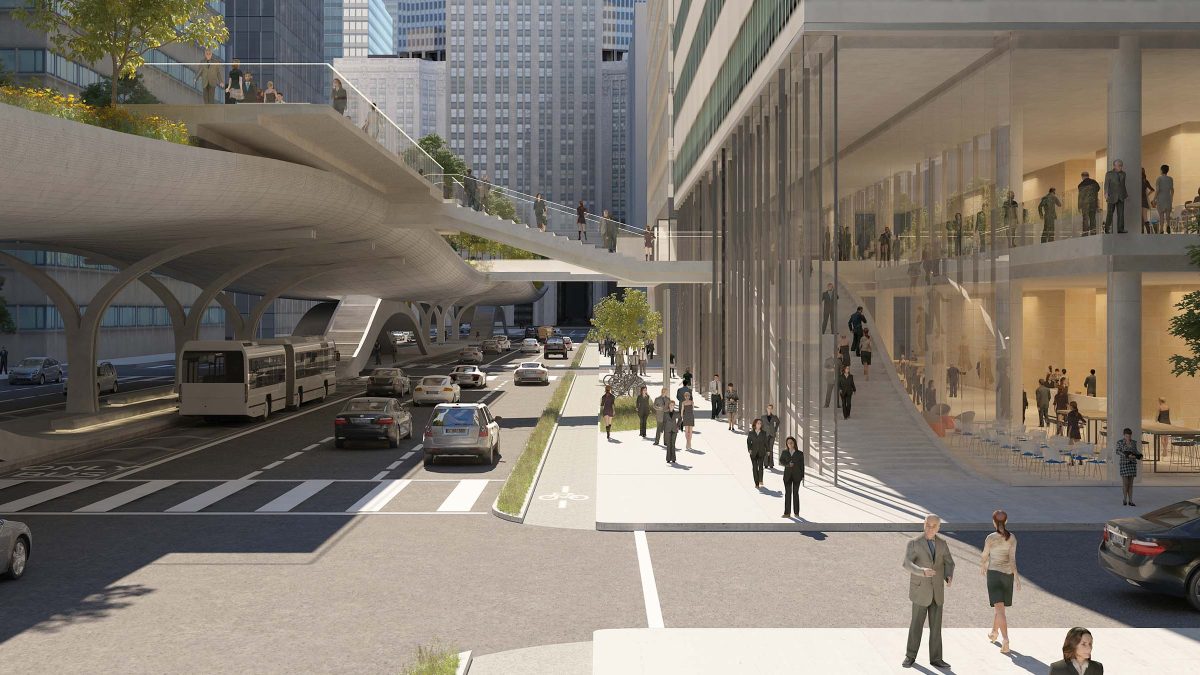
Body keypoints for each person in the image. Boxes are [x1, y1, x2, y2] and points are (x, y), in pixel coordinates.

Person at [901, 514, 955, 670]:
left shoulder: (943, 544)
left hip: (937, 591)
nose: (930, 528)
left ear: (939, 527)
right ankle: (910, 656)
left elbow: (949, 562)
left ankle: (936, 658)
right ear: (923, 524)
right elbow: (907, 563)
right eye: (927, 525)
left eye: (934, 526)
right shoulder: (914, 543)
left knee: (936, 627)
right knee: (916, 625)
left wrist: (948, 576)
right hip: (920, 590)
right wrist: (921, 571)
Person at [981, 509, 1020, 655]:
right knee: (1000, 607)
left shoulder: (990, 538)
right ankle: (994, 633)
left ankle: (1006, 640)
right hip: (1008, 575)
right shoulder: (1012, 538)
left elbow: (985, 554)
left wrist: (983, 565)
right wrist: (1016, 576)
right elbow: (1012, 558)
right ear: (1006, 521)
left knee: (999, 609)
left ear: (993, 522)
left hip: (994, 575)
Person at [1116, 427, 1142, 506]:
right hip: (1124, 464)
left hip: (1132, 464)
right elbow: (1117, 451)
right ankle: (1124, 499)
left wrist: (1139, 455)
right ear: (1124, 435)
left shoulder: (1134, 442)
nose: (1128, 437)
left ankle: (1130, 500)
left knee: (1131, 484)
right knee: (1125, 483)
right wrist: (1126, 455)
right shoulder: (1120, 442)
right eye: (1127, 436)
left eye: (1129, 436)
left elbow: (1135, 451)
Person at [779, 436, 804, 518]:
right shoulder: (784, 452)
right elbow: (781, 461)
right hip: (787, 476)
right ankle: (787, 513)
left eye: (791, 443)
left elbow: (802, 466)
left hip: (797, 476)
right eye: (788, 443)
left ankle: (796, 512)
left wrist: (802, 476)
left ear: (794, 443)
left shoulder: (800, 453)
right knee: (787, 494)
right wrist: (788, 464)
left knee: (796, 493)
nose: (790, 444)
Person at [1104, 159, 1128, 234]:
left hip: (1121, 196)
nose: (1121, 167)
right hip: (1111, 196)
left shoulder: (1123, 174)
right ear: (1114, 166)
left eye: (1121, 165)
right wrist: (1106, 193)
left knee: (1121, 213)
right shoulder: (1109, 174)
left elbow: (1123, 185)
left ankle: (1120, 229)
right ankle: (1107, 229)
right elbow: (1106, 184)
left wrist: (1125, 194)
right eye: (1119, 165)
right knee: (1110, 213)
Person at [747, 418, 770, 488]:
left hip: (761, 452)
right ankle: (756, 483)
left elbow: (766, 442)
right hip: (753, 453)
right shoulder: (751, 433)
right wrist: (749, 449)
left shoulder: (763, 433)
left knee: (760, 467)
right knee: (754, 467)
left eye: (760, 423)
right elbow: (748, 442)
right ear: (755, 424)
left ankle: (760, 480)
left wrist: (768, 450)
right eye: (758, 423)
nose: (759, 425)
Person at [1078, 171, 1101, 236]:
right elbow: (1098, 189)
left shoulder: (1080, 185)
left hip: (1085, 204)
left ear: (1082, 177)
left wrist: (1079, 206)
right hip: (1093, 202)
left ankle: (1085, 233)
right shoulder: (1094, 182)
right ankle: (1093, 232)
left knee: (1085, 218)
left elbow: (1080, 197)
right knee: (1092, 217)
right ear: (1088, 175)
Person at [1155, 164, 1174, 234]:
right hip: (1168, 198)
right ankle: (1168, 226)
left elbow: (1157, 190)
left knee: (1161, 215)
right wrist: (1172, 197)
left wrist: (1154, 199)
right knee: (1168, 214)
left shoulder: (1159, 179)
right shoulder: (1170, 179)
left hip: (1161, 198)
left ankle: (1161, 229)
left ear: (1161, 170)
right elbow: (1172, 189)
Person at [762, 404, 780, 469]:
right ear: (767, 409)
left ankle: (771, 463)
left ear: (772, 409)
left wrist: (775, 429)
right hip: (765, 435)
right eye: (768, 408)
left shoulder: (774, 417)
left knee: (771, 448)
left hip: (772, 434)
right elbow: (761, 425)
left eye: (771, 408)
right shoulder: (763, 417)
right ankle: (766, 463)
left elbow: (778, 422)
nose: (769, 409)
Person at [662, 400, 680, 464]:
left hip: (674, 430)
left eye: (673, 405)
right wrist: (663, 430)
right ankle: (668, 459)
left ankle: (673, 459)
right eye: (671, 405)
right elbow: (663, 422)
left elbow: (680, 418)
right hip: (667, 430)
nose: (672, 406)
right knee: (669, 444)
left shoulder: (676, 413)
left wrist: (678, 426)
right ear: (669, 405)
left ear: (674, 406)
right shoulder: (665, 413)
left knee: (673, 444)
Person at [1141, 167, 1154, 233]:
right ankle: (1148, 232)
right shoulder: (1145, 181)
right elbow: (1152, 190)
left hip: (1139, 200)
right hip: (1144, 200)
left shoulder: (1137, 181)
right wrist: (1147, 195)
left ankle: (1142, 232)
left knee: (1140, 218)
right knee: (1145, 217)